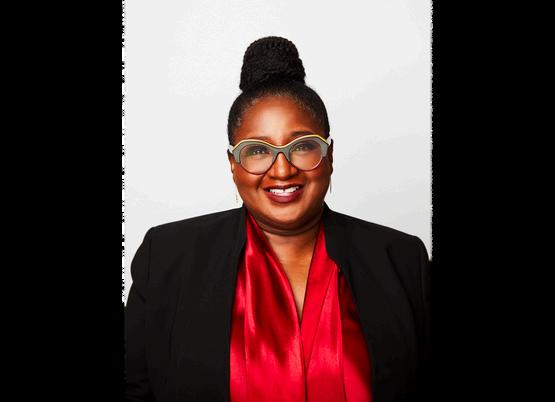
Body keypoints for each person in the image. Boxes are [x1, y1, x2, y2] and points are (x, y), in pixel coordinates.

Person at [125, 36, 431, 402]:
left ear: (329, 155)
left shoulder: (402, 260)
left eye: (302, 146)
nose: (282, 170)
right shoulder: (166, 258)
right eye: (257, 150)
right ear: (233, 164)